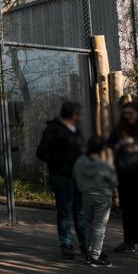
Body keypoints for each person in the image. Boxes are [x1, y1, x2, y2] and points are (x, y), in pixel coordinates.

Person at [36, 101, 87, 259]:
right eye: (79, 113)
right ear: (72, 115)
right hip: (62, 177)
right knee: (65, 212)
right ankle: (67, 245)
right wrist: (59, 163)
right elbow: (41, 152)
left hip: (78, 177)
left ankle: (86, 244)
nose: (81, 116)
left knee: (80, 212)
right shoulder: (53, 130)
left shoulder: (76, 130)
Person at [107, 101, 138, 253]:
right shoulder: (120, 129)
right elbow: (110, 142)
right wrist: (115, 146)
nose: (127, 116)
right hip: (126, 175)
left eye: (131, 113)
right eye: (125, 113)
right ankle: (129, 241)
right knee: (128, 209)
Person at [72, 136, 118, 267]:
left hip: (86, 195)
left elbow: (75, 175)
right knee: (99, 227)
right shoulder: (103, 164)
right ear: (101, 149)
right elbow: (113, 181)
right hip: (102, 196)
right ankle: (95, 257)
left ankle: (89, 252)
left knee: (89, 225)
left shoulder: (81, 161)